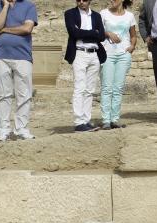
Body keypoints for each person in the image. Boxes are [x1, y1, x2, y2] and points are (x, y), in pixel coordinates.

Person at [0, 0, 38, 141]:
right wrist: (5, 6)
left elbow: (27, 28)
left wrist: (4, 30)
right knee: (3, 94)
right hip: (0, 55)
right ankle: (3, 129)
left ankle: (21, 129)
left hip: (23, 55)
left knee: (24, 94)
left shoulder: (29, 6)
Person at [64, 0, 106, 133]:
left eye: (84, 0)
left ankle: (86, 121)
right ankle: (78, 122)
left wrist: (87, 33)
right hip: (79, 53)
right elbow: (74, 33)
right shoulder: (70, 13)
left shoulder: (96, 16)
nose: (81, 2)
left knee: (90, 90)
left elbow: (102, 36)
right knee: (79, 88)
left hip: (94, 54)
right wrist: (93, 32)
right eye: (78, 0)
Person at [100, 0, 138, 129]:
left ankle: (114, 119)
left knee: (118, 88)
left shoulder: (130, 16)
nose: (111, 1)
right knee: (107, 87)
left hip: (123, 55)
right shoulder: (103, 14)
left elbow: (133, 35)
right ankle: (106, 120)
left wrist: (132, 46)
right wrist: (108, 33)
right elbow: (98, 32)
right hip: (107, 54)